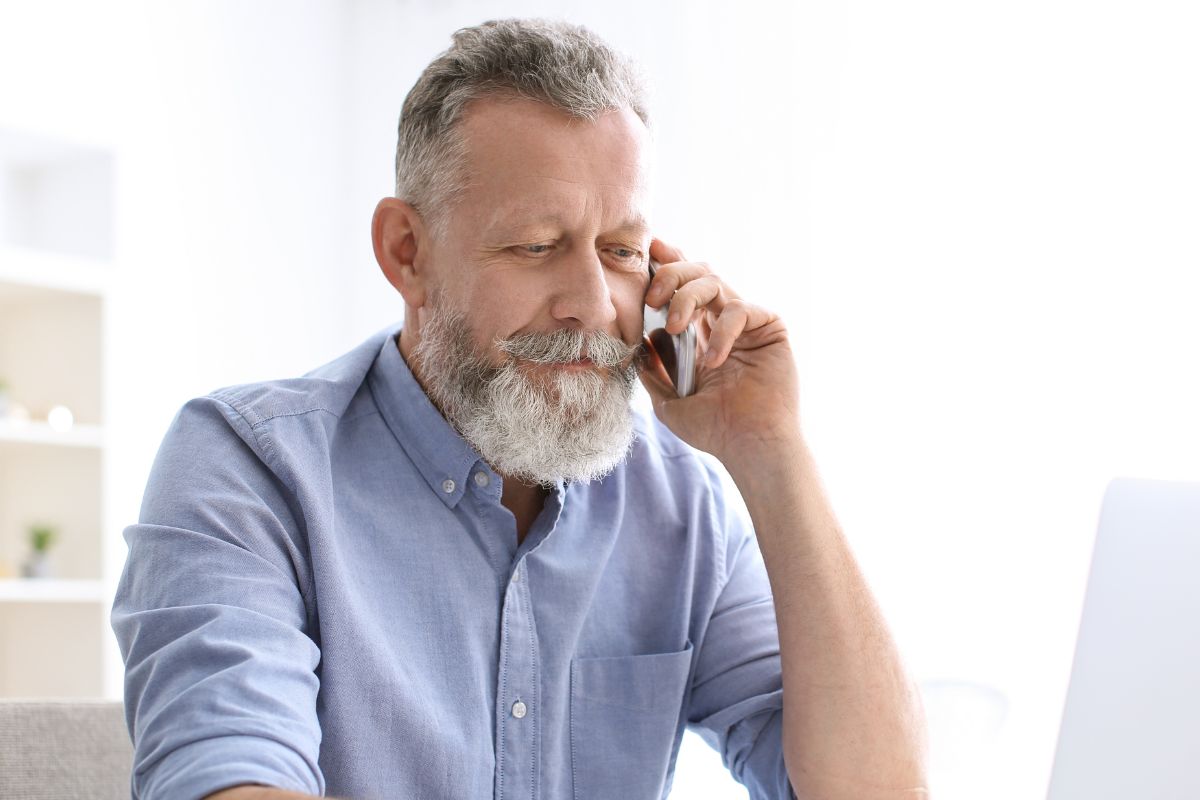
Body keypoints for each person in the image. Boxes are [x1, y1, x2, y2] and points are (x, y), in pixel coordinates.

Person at [112, 17, 929, 800]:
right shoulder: (248, 468)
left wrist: (771, 448)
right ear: (408, 253)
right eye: (536, 246)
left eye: (621, 253)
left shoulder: (685, 509)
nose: (593, 303)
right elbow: (234, 789)